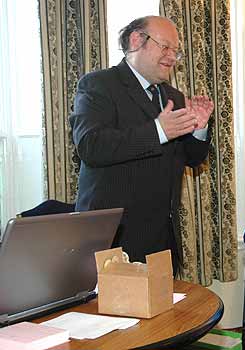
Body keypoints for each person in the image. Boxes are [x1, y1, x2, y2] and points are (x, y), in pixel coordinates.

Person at [70, 16, 213, 275]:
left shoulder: (174, 97)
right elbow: (91, 146)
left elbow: (191, 159)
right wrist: (158, 130)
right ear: (136, 41)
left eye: (176, 51)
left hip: (160, 241)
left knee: (166, 315)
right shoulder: (98, 85)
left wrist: (199, 129)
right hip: (113, 240)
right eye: (165, 47)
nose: (172, 57)